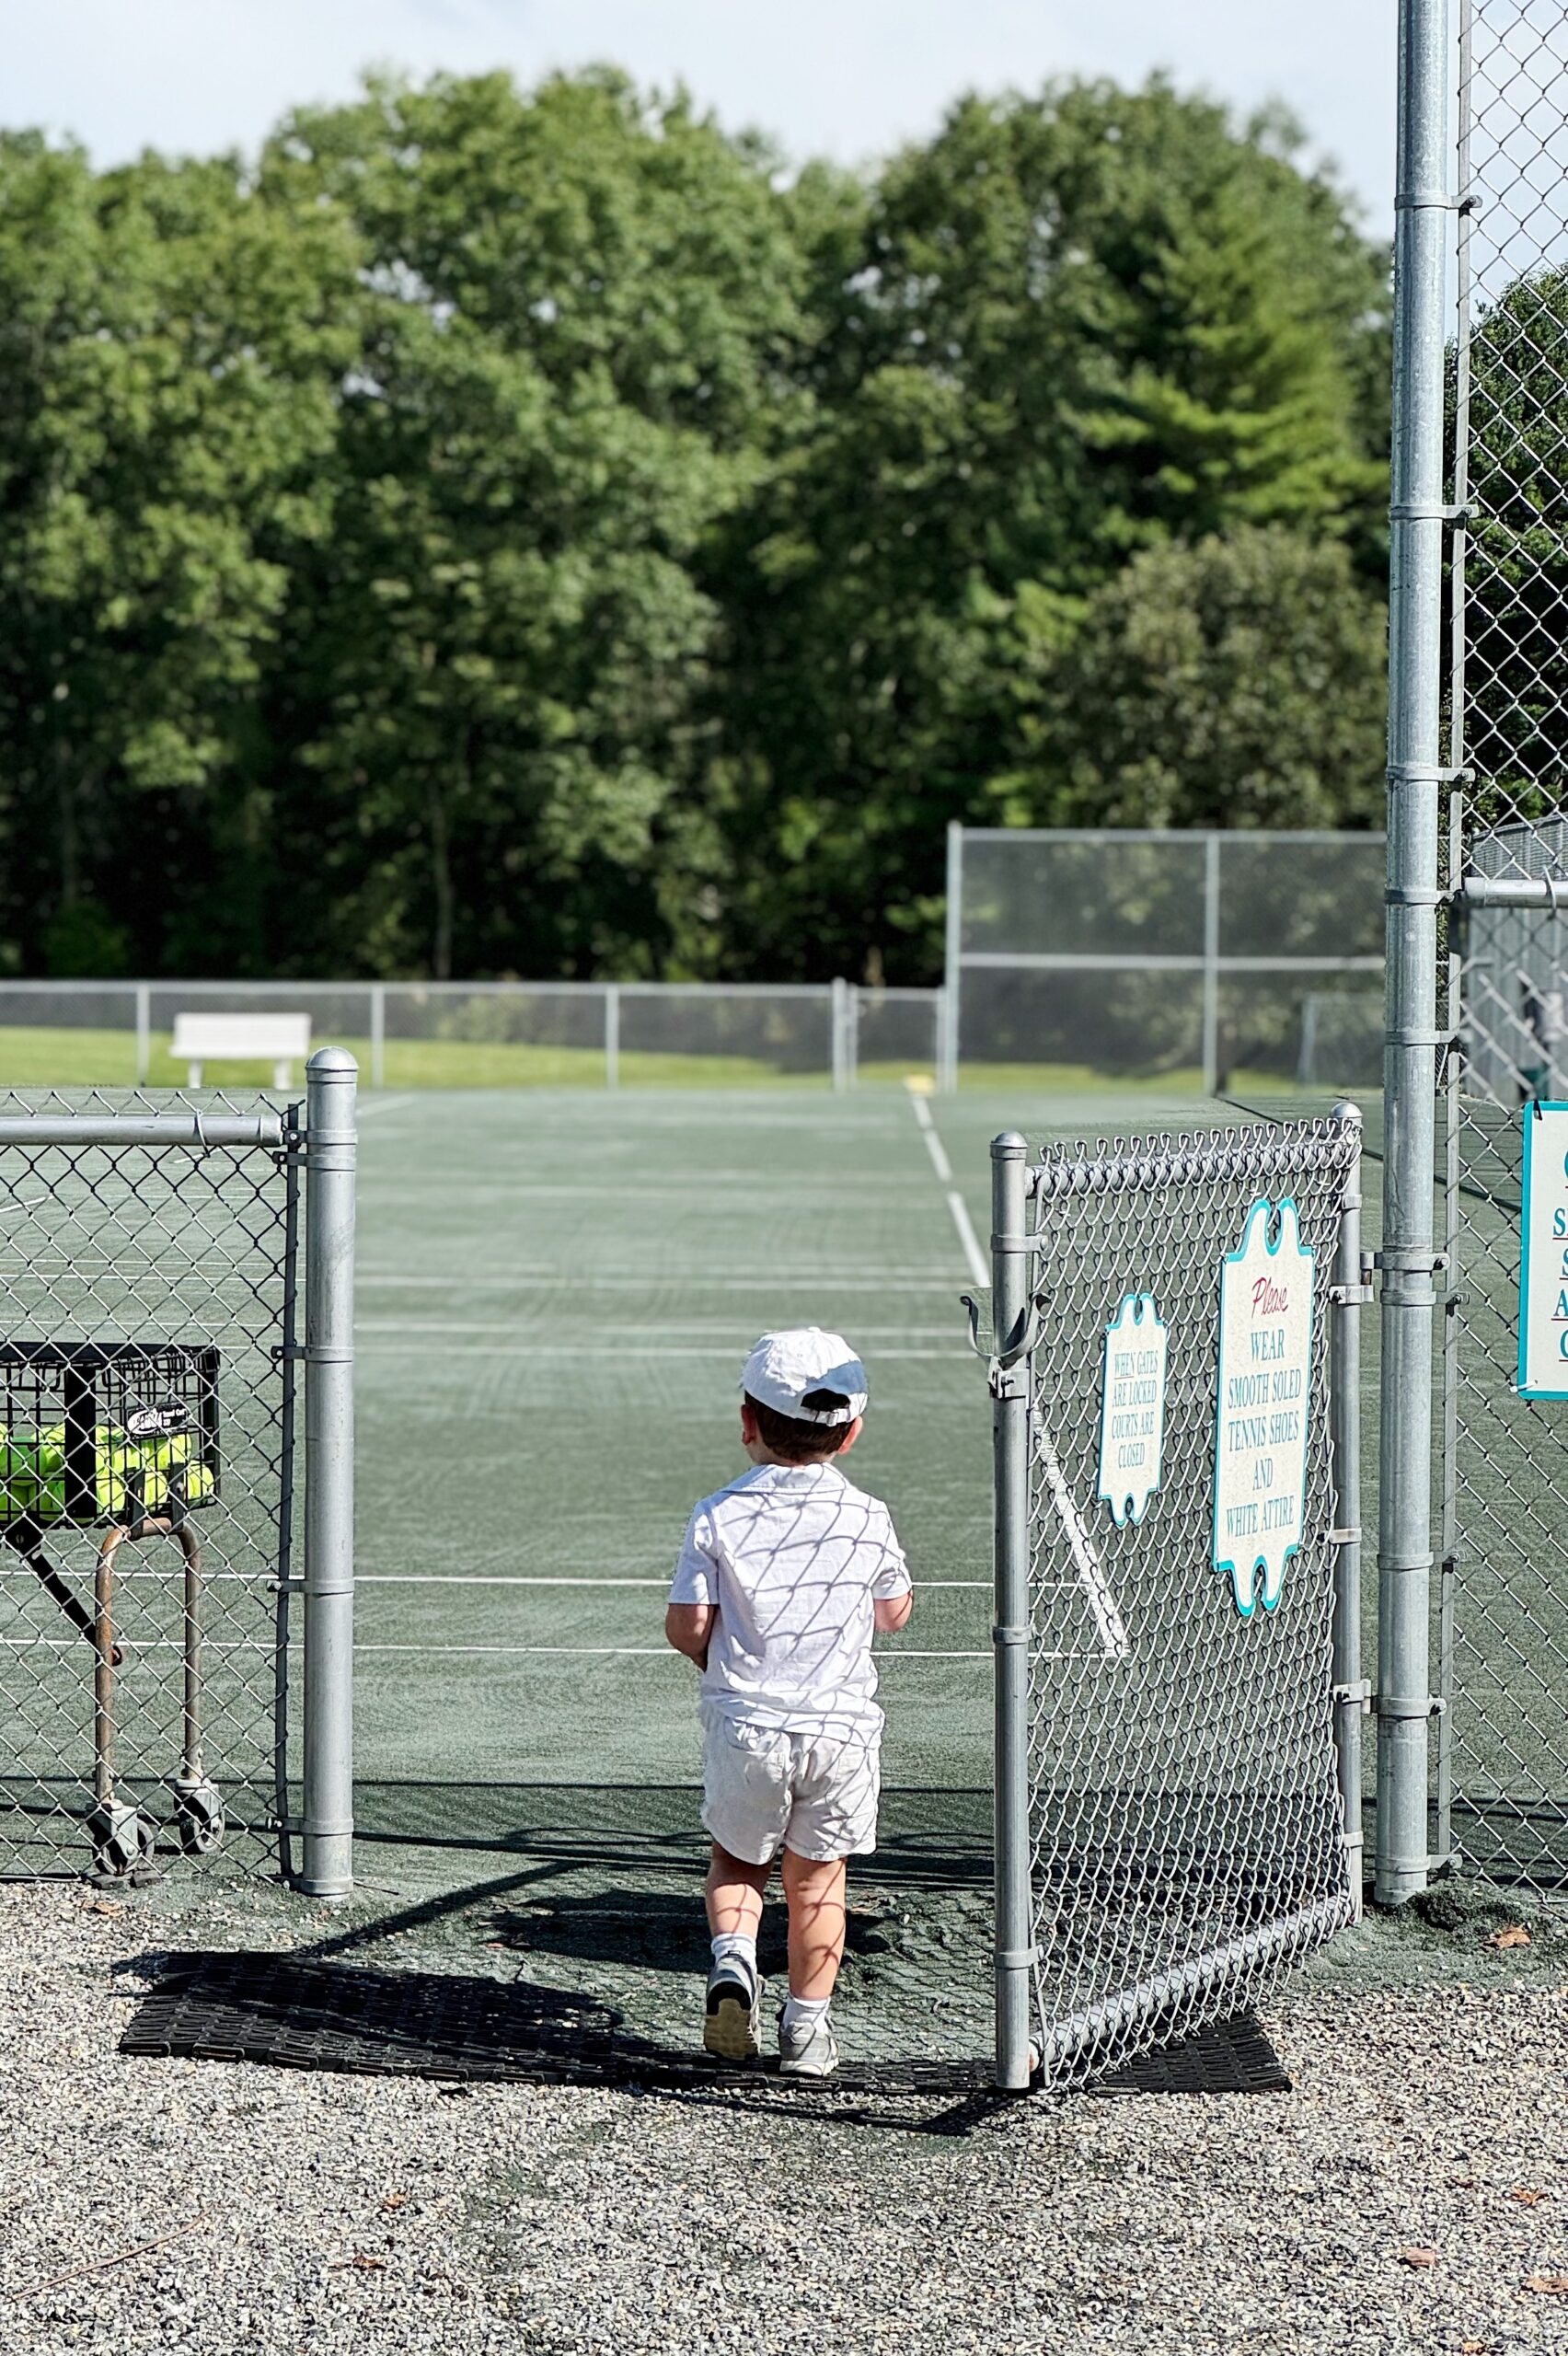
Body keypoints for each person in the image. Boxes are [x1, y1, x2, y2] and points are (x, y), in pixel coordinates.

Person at [663, 1327, 914, 2078]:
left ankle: (735, 1962)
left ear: (748, 1421)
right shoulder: (866, 1516)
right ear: (853, 1432)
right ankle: (806, 2031)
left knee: (738, 1863)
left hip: (747, 1725)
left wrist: (711, 1652)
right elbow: (894, 1611)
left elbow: (689, 1626)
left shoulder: (717, 1514)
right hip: (838, 1730)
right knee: (819, 1882)